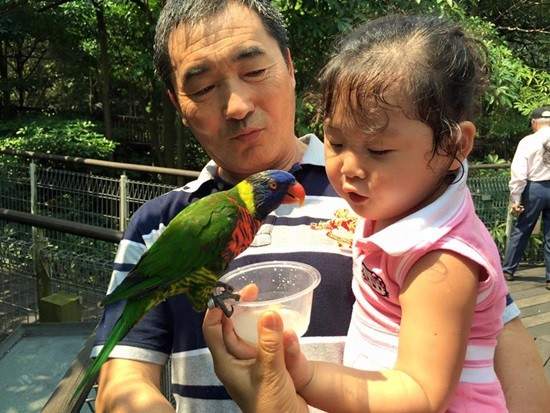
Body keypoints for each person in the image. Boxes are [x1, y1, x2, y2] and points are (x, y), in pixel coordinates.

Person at [92, 2, 548, 412]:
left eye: (254, 71)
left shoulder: (396, 199)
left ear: (290, 67)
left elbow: (496, 334)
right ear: (178, 103)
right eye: (205, 86)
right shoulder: (160, 223)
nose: (237, 105)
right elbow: (121, 384)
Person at [502, 106, 550, 290]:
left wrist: (516, 199)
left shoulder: (528, 141)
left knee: (523, 228)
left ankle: (508, 270)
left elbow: (519, 172)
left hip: (534, 189)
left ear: (534, 123)